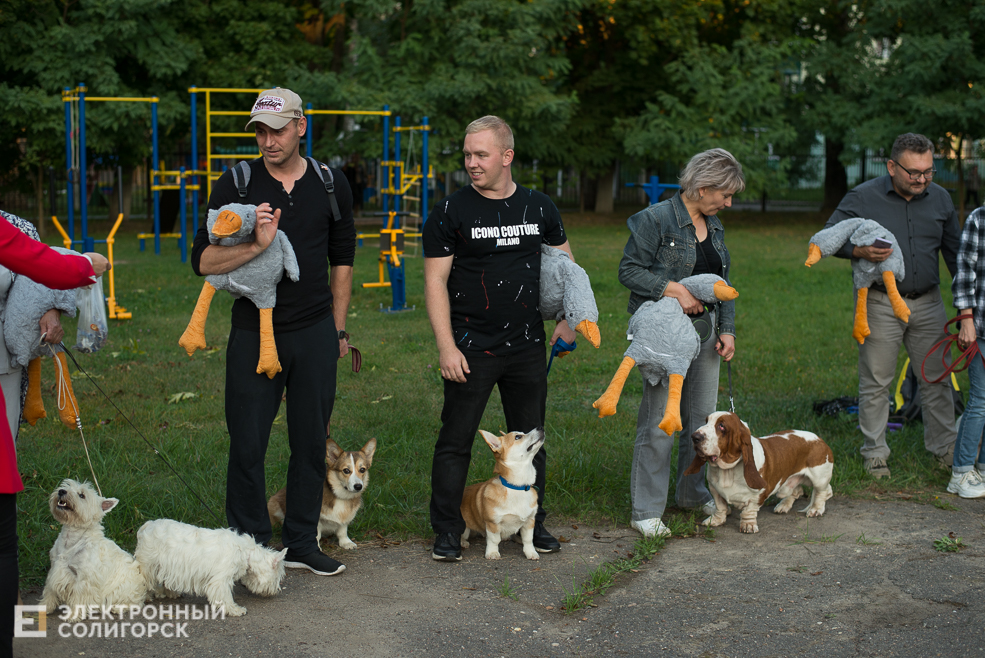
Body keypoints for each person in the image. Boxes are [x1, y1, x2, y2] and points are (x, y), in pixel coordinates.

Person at [190, 88, 355, 576]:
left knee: (311, 444)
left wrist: (338, 330)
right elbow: (202, 260)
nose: (268, 141)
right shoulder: (236, 183)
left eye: (277, 130)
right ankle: (250, 549)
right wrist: (255, 247)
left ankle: (301, 541)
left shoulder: (330, 183)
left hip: (315, 331)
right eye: (260, 132)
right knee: (247, 445)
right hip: (254, 331)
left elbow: (343, 259)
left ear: (300, 126)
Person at [423, 115, 573, 561]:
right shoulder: (450, 212)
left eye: (481, 154)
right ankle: (448, 530)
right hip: (471, 348)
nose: (471, 162)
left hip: (527, 346)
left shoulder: (539, 206)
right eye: (467, 154)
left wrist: (567, 319)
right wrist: (447, 346)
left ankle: (533, 523)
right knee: (456, 441)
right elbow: (435, 282)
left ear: (506, 156)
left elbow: (566, 267)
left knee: (531, 443)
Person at [617, 148, 742, 538]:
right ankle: (646, 510)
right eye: (725, 194)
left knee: (703, 420)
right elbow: (628, 270)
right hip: (665, 337)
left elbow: (722, 282)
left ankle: (692, 493)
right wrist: (674, 290)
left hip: (706, 334)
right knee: (661, 421)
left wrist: (727, 329)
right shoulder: (656, 219)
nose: (729, 203)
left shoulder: (714, 225)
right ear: (703, 188)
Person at [0, 215, 109, 658]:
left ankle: (15, 616)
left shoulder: (15, 225)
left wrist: (49, 308)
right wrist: (87, 265)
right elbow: (48, 264)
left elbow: (34, 270)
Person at [825, 133, 960, 478]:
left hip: (928, 302)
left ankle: (945, 448)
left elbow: (955, 255)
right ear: (891, 166)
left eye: (928, 171)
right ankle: (875, 453)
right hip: (880, 302)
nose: (922, 179)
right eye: (913, 172)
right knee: (876, 380)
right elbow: (828, 236)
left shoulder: (941, 199)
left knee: (937, 378)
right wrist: (858, 251)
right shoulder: (863, 196)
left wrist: (967, 306)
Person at [949, 206, 985, 497]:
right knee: (981, 401)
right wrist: (966, 319)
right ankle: (960, 472)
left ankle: (982, 468)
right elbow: (964, 273)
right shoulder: (979, 219)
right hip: (981, 328)